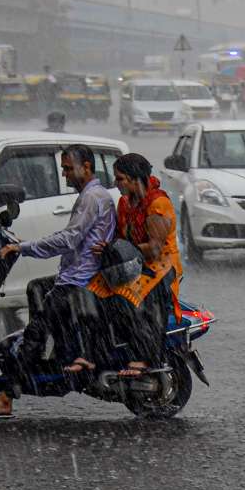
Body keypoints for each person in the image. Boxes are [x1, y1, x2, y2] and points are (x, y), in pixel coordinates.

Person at [0, 144, 116, 419]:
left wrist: (23, 248)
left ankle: (6, 396)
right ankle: (52, 354)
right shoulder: (92, 195)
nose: (65, 175)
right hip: (76, 275)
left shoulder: (92, 198)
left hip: (79, 281)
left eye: (69, 169)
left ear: (86, 167)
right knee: (36, 288)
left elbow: (69, 239)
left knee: (35, 329)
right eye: (63, 169)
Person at [79, 153, 183, 377]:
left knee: (124, 299)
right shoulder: (124, 202)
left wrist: (117, 249)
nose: (117, 184)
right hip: (130, 263)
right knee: (90, 294)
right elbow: (119, 237)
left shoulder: (158, 203)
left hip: (160, 266)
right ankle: (96, 355)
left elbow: (155, 249)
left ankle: (147, 357)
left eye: (120, 179)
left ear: (137, 179)